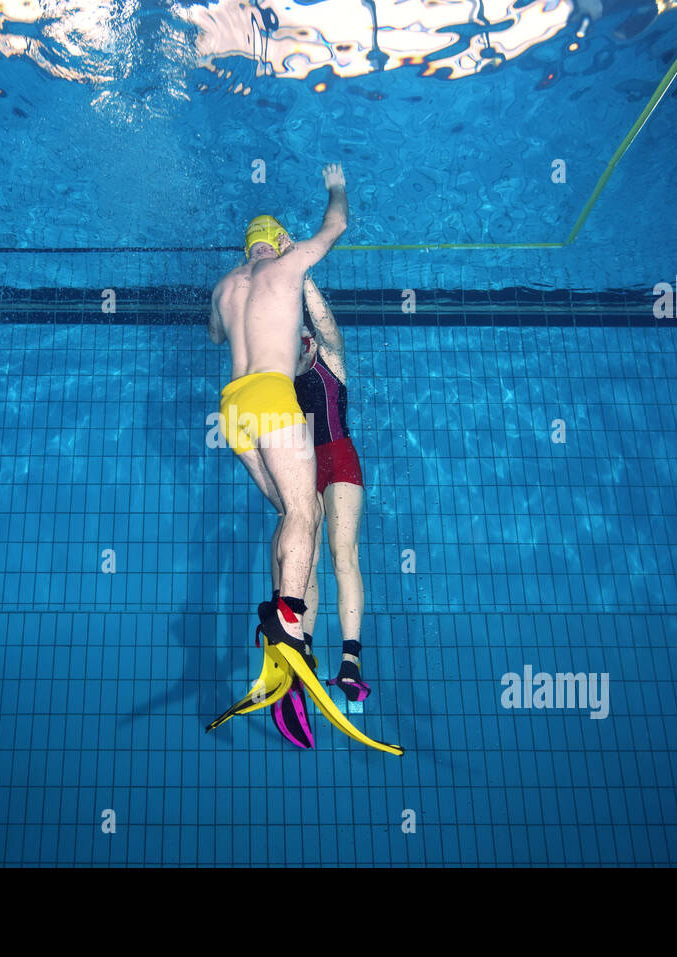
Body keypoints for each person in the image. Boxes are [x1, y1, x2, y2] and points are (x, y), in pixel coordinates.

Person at [204, 169, 403, 756]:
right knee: (304, 515)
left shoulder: (224, 285)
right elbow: (337, 224)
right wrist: (336, 188)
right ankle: (289, 627)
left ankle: (281, 624)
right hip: (269, 395)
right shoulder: (288, 267)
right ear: (282, 242)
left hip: (232, 409)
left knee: (295, 517)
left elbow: (216, 335)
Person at [291, 282, 371, 703]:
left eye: (306, 336)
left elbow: (328, 326)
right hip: (302, 467)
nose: (301, 344)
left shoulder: (332, 358)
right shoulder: (282, 374)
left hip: (339, 459)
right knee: (306, 561)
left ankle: (351, 660)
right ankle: (302, 649)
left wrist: (302, 275)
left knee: (343, 554)